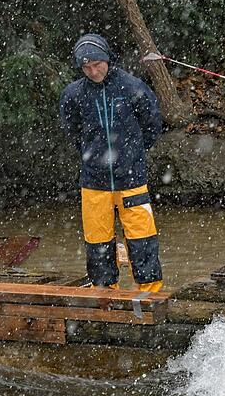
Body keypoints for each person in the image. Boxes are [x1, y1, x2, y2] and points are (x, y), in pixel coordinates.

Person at [59, 34, 164, 291]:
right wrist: (92, 155)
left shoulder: (132, 87)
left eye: (98, 64)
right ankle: (104, 291)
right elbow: (72, 131)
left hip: (132, 178)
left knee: (143, 238)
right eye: (87, 68)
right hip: (93, 182)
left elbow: (153, 124)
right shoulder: (73, 94)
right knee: (97, 240)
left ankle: (149, 292)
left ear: (107, 58)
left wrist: (133, 153)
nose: (94, 72)